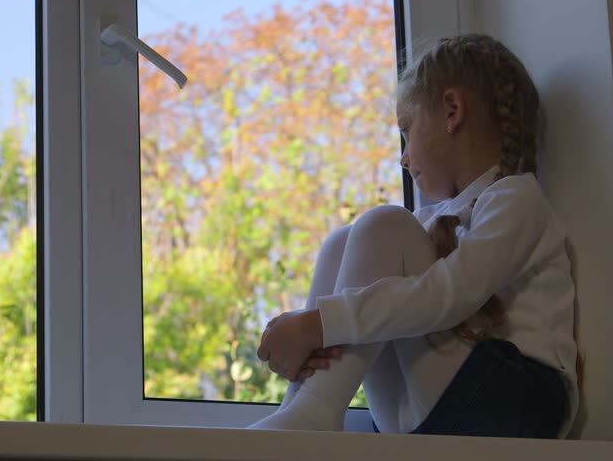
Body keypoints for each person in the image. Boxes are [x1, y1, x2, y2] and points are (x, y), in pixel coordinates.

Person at [246, 34, 579, 439]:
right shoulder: (432, 219)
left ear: (452, 111)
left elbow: (450, 296)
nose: (403, 157)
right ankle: (303, 410)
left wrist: (319, 324)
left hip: (520, 402)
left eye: (407, 130)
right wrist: (324, 324)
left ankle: (313, 412)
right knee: (343, 242)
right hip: (442, 412)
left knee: (383, 225)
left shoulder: (515, 196)